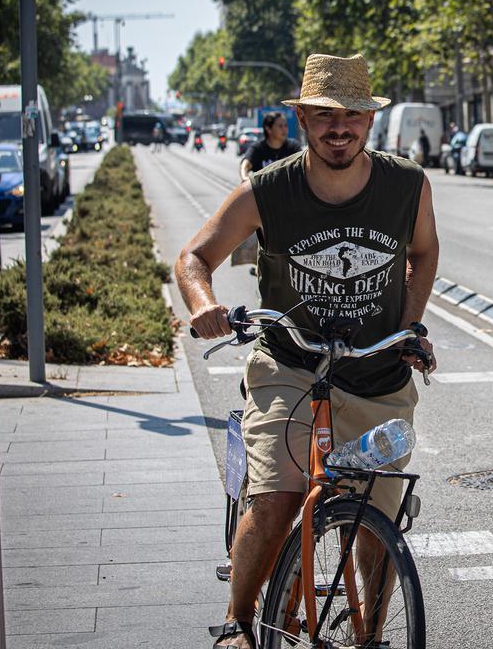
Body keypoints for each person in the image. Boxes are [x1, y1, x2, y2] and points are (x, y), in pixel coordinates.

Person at [176, 53, 439, 649]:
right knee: (276, 500)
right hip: (290, 366)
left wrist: (410, 324)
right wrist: (203, 303)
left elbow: (424, 251)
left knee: (378, 518)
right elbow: (194, 258)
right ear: (302, 120)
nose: (338, 127)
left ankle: (369, 634)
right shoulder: (269, 190)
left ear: (370, 121)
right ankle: (238, 624)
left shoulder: (407, 185)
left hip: (377, 374)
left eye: (350, 114)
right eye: (324, 115)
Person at [239, 111, 301, 182]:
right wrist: (245, 178)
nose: (284, 129)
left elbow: (304, 166)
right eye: (280, 126)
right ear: (268, 129)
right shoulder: (258, 149)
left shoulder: (293, 147)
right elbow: (245, 165)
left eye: (285, 125)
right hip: (264, 191)